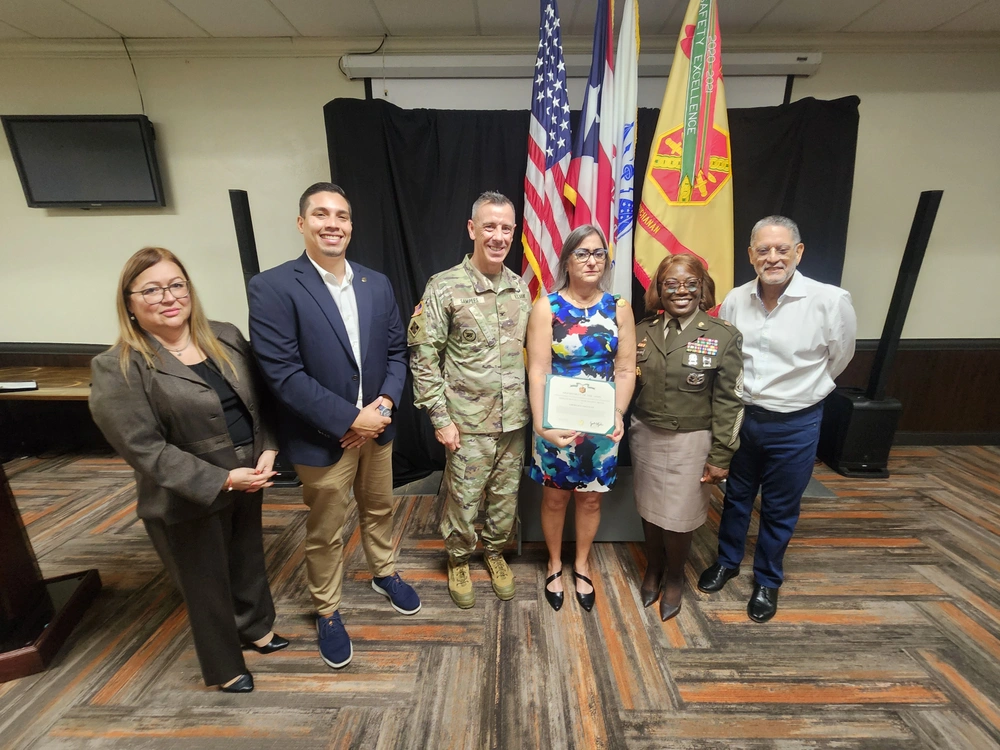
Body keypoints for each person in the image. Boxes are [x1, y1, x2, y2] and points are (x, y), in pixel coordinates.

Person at [89, 247, 286, 694]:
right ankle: (224, 667)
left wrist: (269, 449)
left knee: (247, 559)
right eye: (152, 289)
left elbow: (261, 403)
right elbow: (144, 448)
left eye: (176, 285)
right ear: (130, 303)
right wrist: (221, 479)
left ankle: (257, 628)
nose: (168, 296)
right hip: (184, 493)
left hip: (249, 475)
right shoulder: (118, 366)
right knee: (205, 581)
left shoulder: (226, 336)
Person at [247, 182, 419, 670]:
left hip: (377, 428)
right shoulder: (273, 287)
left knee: (380, 508)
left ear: (350, 226)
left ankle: (384, 571)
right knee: (326, 530)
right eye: (320, 214)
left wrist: (382, 405)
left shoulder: (375, 283)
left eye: (341, 216)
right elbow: (282, 375)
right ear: (302, 224)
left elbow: (395, 352)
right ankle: (327, 609)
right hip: (322, 439)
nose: (332, 224)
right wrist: (350, 418)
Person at [698, 215, 857, 622]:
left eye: (781, 249)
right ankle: (728, 561)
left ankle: (767, 580)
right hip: (743, 417)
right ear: (751, 255)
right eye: (763, 250)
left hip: (795, 422)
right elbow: (729, 358)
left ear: (798, 252)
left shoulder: (829, 300)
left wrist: (800, 392)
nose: (772, 258)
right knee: (735, 497)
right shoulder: (735, 299)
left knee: (780, 506)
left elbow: (840, 357)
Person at [408, 191, 532, 609]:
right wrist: (441, 418)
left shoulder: (520, 288)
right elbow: (424, 358)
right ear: (472, 229)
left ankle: (495, 552)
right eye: (490, 226)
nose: (497, 236)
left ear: (513, 233)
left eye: (506, 228)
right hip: (467, 423)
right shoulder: (444, 287)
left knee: (504, 498)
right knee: (463, 499)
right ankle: (458, 558)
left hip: (514, 422)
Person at [525, 225, 636, 612]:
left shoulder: (619, 307)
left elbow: (625, 370)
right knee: (554, 500)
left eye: (599, 253)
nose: (592, 261)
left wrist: (618, 413)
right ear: (567, 261)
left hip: (601, 424)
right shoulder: (547, 307)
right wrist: (541, 424)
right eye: (582, 254)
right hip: (555, 423)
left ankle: (581, 563)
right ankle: (554, 563)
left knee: (590, 502)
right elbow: (537, 370)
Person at [629, 254, 743, 621]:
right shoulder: (641, 331)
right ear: (658, 290)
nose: (680, 291)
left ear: (703, 288)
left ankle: (676, 576)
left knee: (680, 516)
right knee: (649, 509)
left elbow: (730, 401)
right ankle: (654, 568)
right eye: (670, 284)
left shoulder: (722, 336)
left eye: (690, 283)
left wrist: (722, 455)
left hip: (692, 439)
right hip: (646, 433)